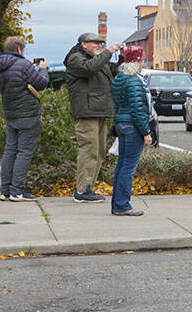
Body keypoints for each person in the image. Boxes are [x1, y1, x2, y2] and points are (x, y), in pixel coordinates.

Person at [64, 33, 122, 203]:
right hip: (87, 111)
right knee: (89, 150)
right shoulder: (75, 59)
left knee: (99, 151)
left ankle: (88, 187)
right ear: (83, 44)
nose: (99, 45)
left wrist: (123, 59)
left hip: (100, 110)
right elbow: (88, 68)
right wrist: (108, 52)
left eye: (101, 43)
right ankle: (82, 190)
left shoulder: (96, 59)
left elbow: (114, 70)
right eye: (95, 42)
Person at [0, 36, 49, 201]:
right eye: (23, 50)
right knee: (24, 152)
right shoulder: (23, 64)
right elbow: (41, 83)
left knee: (10, 151)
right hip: (28, 114)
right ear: (18, 49)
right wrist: (43, 69)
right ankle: (17, 191)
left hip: (11, 113)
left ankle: (5, 191)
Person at [110, 47, 154, 216]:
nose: (144, 62)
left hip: (122, 123)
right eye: (142, 59)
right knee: (128, 168)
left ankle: (117, 203)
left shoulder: (120, 78)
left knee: (122, 166)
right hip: (132, 127)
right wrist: (146, 132)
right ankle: (122, 205)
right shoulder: (135, 81)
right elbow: (137, 109)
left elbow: (118, 103)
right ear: (137, 61)